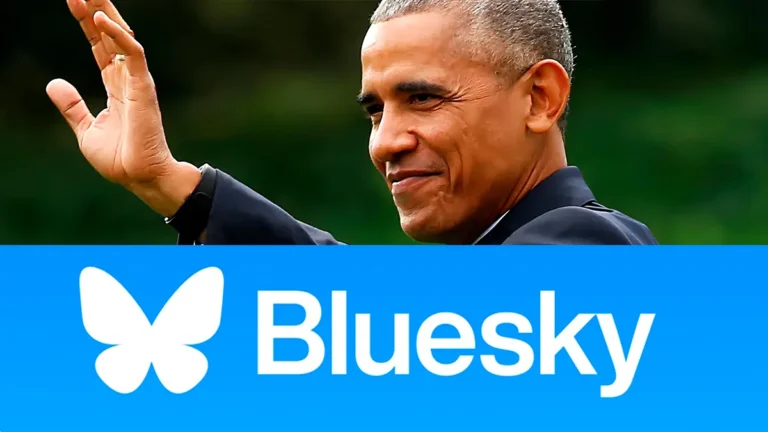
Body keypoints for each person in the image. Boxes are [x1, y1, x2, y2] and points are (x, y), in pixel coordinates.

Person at [46, 0, 658, 245]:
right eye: (375, 110)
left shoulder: (588, 247)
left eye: (424, 98)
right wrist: (169, 184)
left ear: (539, 99)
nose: (386, 141)